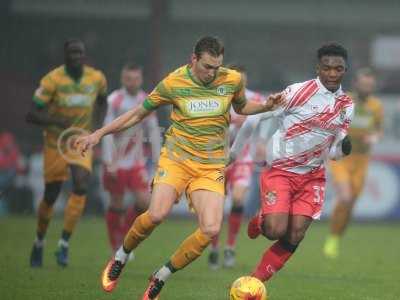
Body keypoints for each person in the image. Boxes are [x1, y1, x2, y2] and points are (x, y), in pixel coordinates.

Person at [75, 36, 284, 299]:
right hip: (176, 160)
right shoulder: (173, 83)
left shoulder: (231, 80)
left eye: (217, 67)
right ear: (193, 59)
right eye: (207, 66)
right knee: (156, 214)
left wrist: (265, 106)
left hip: (210, 166)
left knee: (210, 229)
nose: (213, 73)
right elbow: (138, 113)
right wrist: (98, 134)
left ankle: (161, 276)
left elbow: (241, 106)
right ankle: (121, 256)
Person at [230, 43, 354, 284]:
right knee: (276, 230)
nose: (332, 73)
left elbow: (335, 152)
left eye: (338, 69)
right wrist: (234, 153)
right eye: (326, 68)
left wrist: (343, 149)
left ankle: (253, 284)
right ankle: (260, 220)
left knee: (295, 234)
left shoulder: (347, 106)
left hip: (313, 175)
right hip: (281, 171)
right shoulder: (297, 92)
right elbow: (256, 117)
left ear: (345, 70)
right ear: (318, 68)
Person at [27, 39, 108, 267]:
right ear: (65, 56)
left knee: (81, 185)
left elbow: (102, 102)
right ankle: (40, 241)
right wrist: (55, 120)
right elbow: (32, 114)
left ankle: (63, 243)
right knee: (51, 195)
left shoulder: (96, 78)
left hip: (80, 142)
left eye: (79, 53)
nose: (76, 56)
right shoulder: (52, 80)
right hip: (55, 143)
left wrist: (97, 128)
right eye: (72, 53)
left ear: (84, 55)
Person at [208, 64, 265, 269]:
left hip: (243, 158)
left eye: (243, 79)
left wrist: (263, 142)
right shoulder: (217, 98)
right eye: (236, 79)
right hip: (218, 159)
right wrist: (232, 121)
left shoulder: (255, 98)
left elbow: (264, 123)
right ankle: (214, 248)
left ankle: (230, 247)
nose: (240, 82)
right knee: (217, 205)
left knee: (238, 199)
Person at [323, 68, 383, 259]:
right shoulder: (345, 101)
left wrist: (374, 137)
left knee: (350, 204)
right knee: (346, 196)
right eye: (364, 84)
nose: (367, 88)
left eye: (370, 85)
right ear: (356, 84)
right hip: (342, 156)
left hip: (362, 160)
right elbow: (330, 123)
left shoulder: (376, 106)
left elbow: (379, 129)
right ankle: (332, 238)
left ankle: (336, 237)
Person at [102, 63, 161, 252]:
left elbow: (153, 131)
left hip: (136, 162)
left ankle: (124, 236)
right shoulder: (114, 100)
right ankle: (115, 246)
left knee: (144, 203)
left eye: (135, 78)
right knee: (116, 203)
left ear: (141, 79)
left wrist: (159, 159)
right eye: (128, 78)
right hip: (115, 162)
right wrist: (108, 161)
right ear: (122, 79)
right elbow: (107, 130)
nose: (132, 82)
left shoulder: (147, 100)